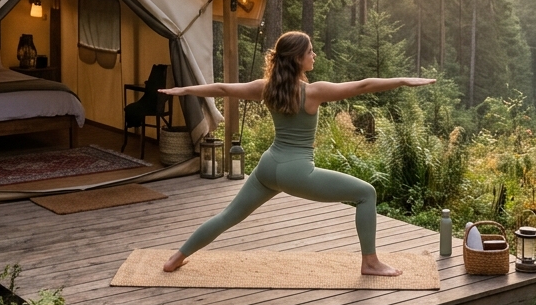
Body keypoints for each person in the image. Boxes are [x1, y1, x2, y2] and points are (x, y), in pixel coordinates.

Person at [159, 30, 435, 276]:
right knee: (366, 193)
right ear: (297, 59)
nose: (314, 55)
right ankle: (371, 262)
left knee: (228, 215)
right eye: (310, 51)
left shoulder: (266, 88)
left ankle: (176, 258)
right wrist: (402, 80)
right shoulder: (314, 92)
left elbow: (222, 89)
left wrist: (185, 89)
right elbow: (363, 86)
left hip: (268, 167)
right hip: (297, 172)